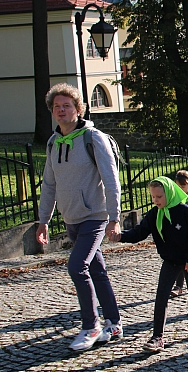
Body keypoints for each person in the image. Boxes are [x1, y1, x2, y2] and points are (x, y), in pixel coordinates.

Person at [36, 83, 123, 351]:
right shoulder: (53, 143)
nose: (61, 110)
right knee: (96, 269)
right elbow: (49, 184)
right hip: (70, 218)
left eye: (67, 105)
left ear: (78, 109)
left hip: (94, 216)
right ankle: (114, 322)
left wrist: (114, 216)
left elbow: (111, 180)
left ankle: (91, 325)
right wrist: (44, 220)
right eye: (56, 107)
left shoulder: (93, 138)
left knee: (77, 267)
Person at [110, 177, 188, 351]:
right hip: (170, 261)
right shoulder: (155, 214)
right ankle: (157, 337)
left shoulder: (186, 211)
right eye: (153, 197)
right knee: (161, 296)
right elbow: (139, 232)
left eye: (159, 197)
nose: (156, 201)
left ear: (169, 193)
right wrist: (121, 236)